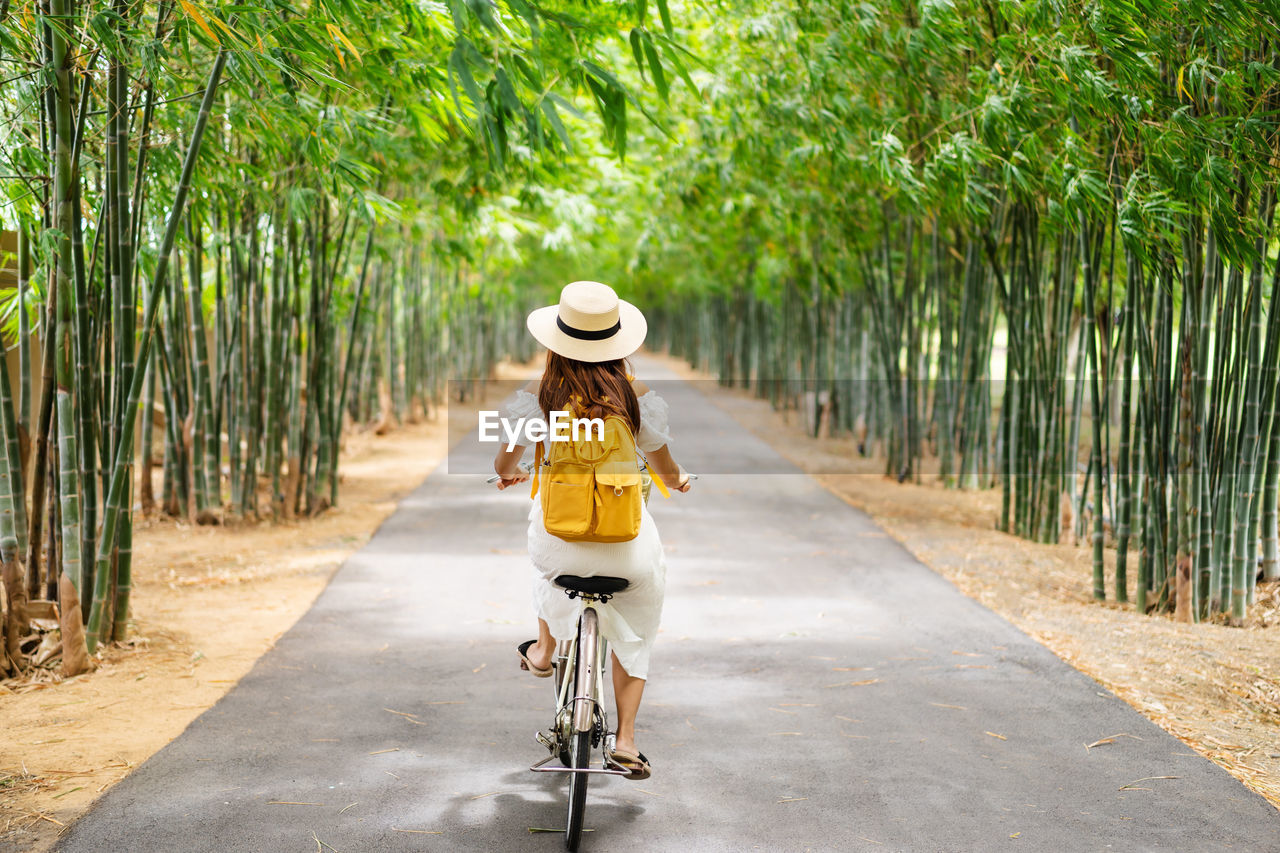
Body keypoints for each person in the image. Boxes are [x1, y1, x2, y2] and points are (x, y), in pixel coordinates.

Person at [492, 281, 690, 781]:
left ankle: (543, 649)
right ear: (617, 342)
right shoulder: (637, 400)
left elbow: (504, 461)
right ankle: (625, 741)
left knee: (544, 551)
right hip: (625, 550)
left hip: (561, 546)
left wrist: (511, 471)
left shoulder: (539, 399)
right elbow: (667, 473)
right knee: (640, 616)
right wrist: (679, 480)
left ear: (556, 342)